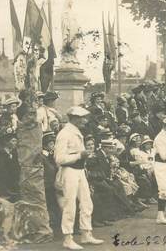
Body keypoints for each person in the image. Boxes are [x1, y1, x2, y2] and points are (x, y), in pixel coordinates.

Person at [54, 106, 103, 250]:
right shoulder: (64, 134)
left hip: (80, 171)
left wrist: (83, 158)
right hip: (69, 172)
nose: (85, 121)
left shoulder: (76, 132)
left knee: (86, 202)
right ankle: (67, 238)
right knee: (70, 204)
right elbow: (59, 158)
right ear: (74, 118)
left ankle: (86, 233)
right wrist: (80, 155)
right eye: (82, 118)